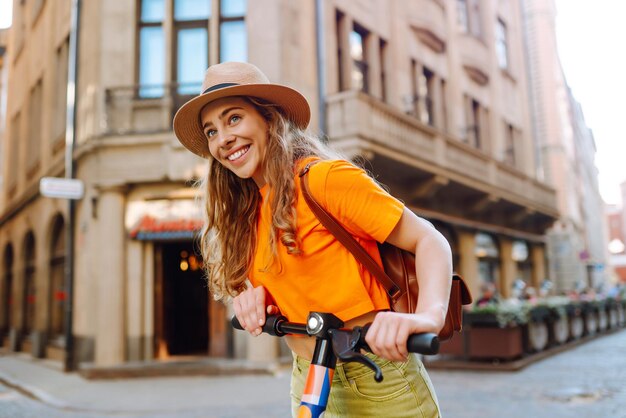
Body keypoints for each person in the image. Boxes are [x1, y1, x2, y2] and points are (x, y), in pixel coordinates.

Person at [173, 61, 452, 418]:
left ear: (269, 119)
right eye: (211, 131)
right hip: (308, 379)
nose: (223, 139)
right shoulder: (246, 213)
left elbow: (429, 240)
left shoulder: (323, 180)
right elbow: (297, 284)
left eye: (233, 119)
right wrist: (250, 300)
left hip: (377, 377)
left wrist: (429, 317)